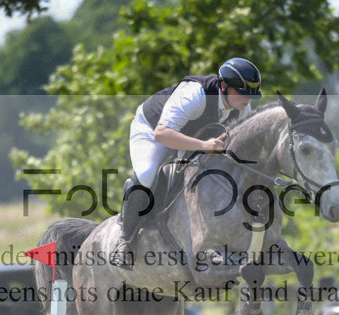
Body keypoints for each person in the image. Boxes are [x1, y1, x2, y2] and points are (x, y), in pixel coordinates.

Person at [110, 57, 262, 268]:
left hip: (192, 137)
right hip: (153, 129)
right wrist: (205, 146)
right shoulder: (196, 94)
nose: (248, 98)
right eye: (243, 92)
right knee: (147, 174)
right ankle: (124, 241)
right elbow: (162, 134)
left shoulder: (242, 108)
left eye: (252, 93)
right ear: (224, 86)